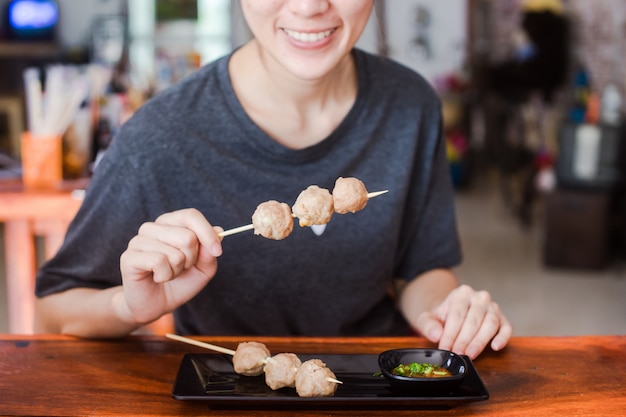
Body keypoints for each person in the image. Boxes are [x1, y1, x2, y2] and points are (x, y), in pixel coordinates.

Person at [34, 0, 512, 360]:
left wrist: (445, 312)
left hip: (373, 385)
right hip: (226, 391)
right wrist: (131, 307)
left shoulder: (411, 105)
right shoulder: (160, 136)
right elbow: (54, 312)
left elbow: (421, 269)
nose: (308, 7)